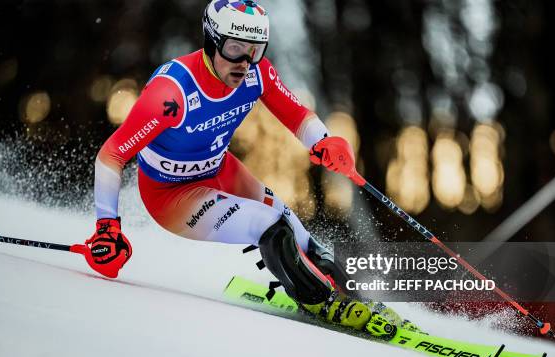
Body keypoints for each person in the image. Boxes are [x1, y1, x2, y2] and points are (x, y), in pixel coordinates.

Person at [83, 0, 405, 337]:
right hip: (171, 194)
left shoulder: (257, 73)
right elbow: (111, 155)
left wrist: (325, 141)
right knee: (269, 224)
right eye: (235, 49)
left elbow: (296, 115)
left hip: (219, 170)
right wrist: (107, 227)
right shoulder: (171, 93)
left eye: (255, 50)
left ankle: (354, 296)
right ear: (211, 40)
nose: (244, 62)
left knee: (294, 227)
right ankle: (318, 302)